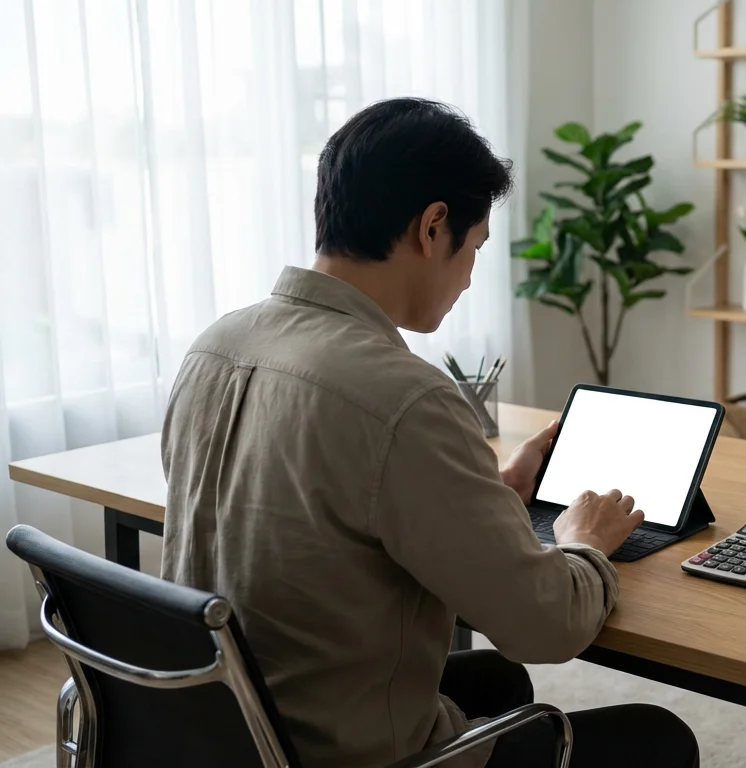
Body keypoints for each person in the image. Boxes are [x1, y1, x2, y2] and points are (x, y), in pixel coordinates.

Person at [160, 97, 700, 768]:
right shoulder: (402, 396)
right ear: (433, 226)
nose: (471, 275)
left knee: (495, 683)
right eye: (474, 247)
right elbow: (546, 625)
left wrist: (494, 491)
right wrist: (583, 543)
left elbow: (322, 519)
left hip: (219, 724)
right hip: (335, 750)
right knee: (659, 738)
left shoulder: (215, 345)